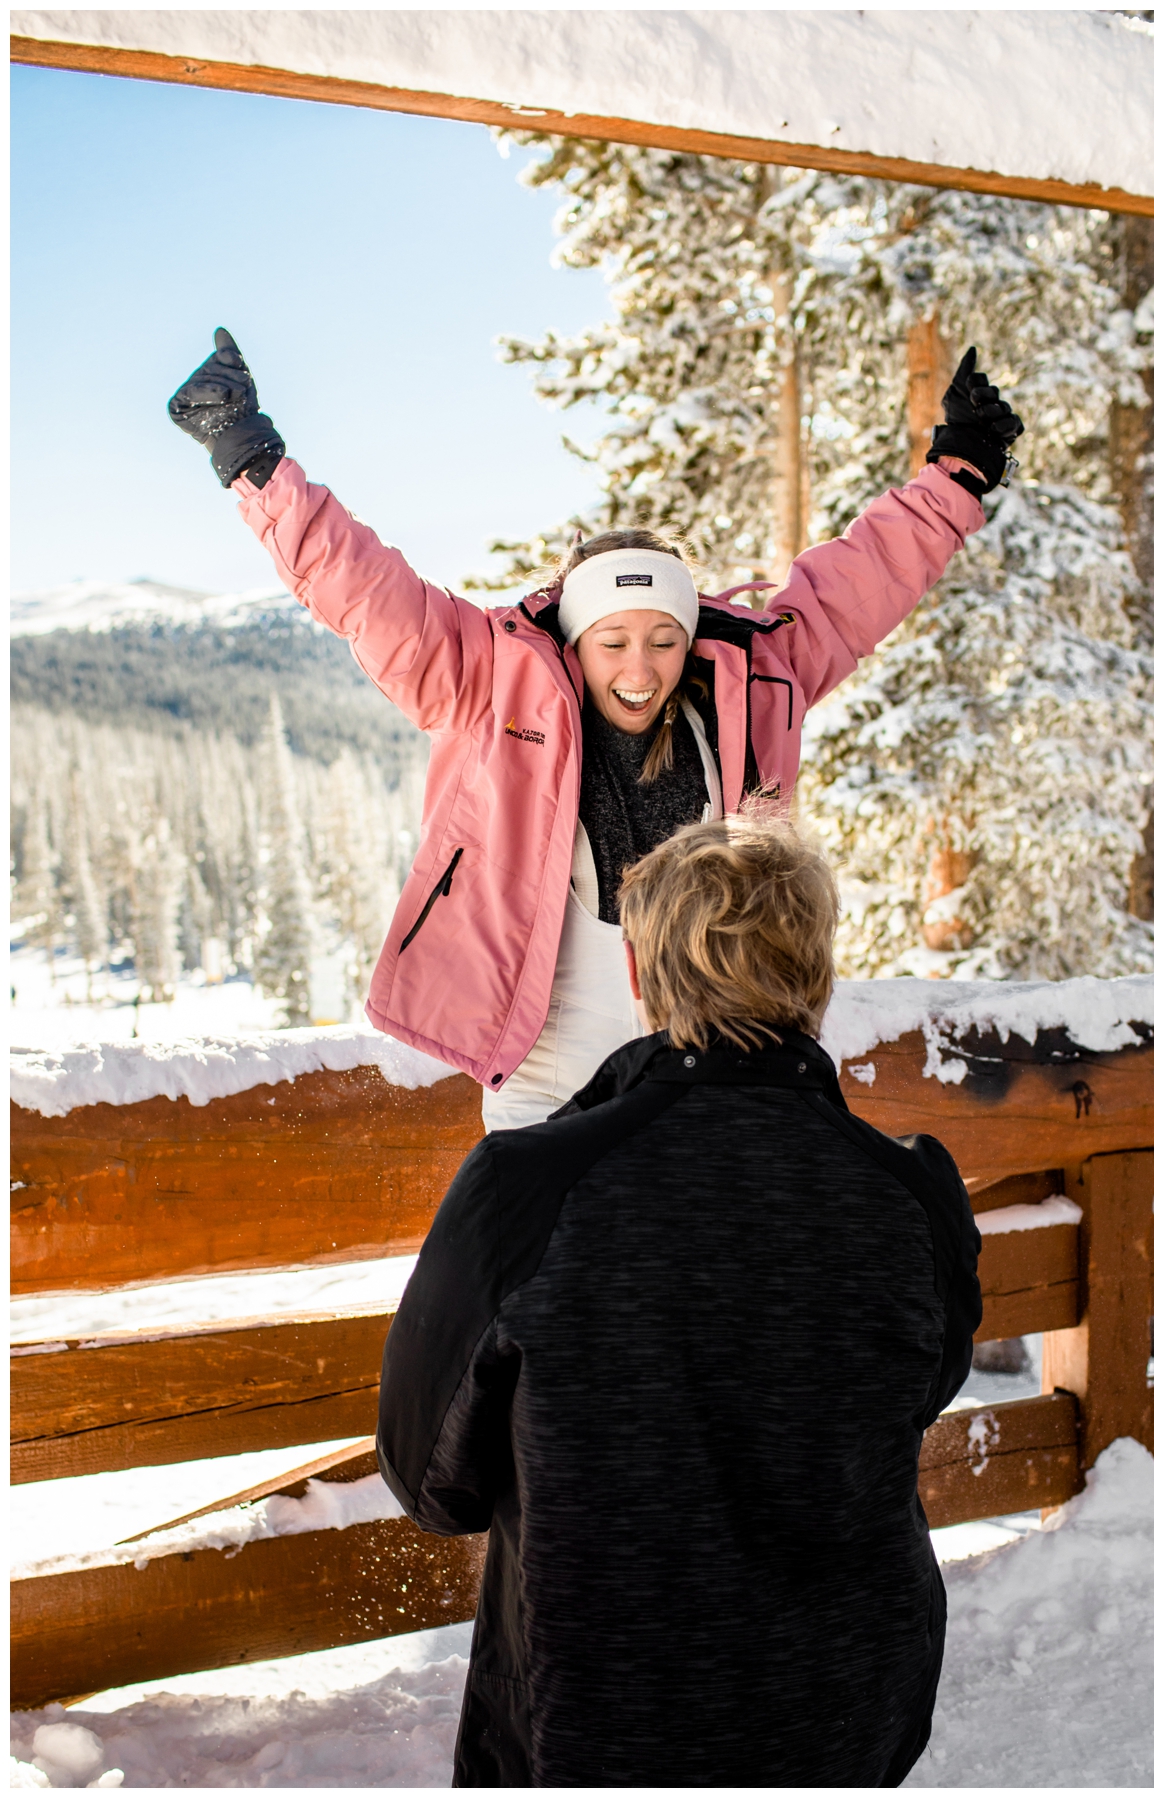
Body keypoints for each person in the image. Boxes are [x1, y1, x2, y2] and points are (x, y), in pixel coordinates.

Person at [167, 327, 1022, 1127]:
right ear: (577, 641)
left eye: (662, 641)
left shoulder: (754, 681)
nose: (640, 669)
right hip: (544, 1047)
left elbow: (858, 584)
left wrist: (956, 477)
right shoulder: (486, 679)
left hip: (710, 1045)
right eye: (613, 642)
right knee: (541, 1259)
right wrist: (250, 458)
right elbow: (362, 590)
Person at [375, 808, 980, 1785]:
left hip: (592, 1728)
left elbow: (428, 1477)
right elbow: (919, 1385)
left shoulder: (526, 1189)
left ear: (640, 974)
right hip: (846, 1719)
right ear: (817, 981)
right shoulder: (909, 1195)